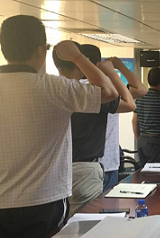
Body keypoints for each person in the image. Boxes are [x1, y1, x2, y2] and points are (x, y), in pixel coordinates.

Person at [0, 15, 118, 238]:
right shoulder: (53, 87)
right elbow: (109, 93)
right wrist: (77, 57)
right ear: (39, 50)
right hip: (46, 204)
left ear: (4, 48)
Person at [53, 43, 136, 215]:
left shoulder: (51, 89)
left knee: (62, 220)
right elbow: (129, 103)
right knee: (87, 222)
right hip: (85, 169)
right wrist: (111, 73)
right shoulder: (86, 92)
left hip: (56, 168)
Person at [91, 54, 146, 192]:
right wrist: (117, 68)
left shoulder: (72, 89)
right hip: (106, 163)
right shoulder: (111, 92)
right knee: (107, 203)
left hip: (96, 163)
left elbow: (141, 90)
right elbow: (140, 90)